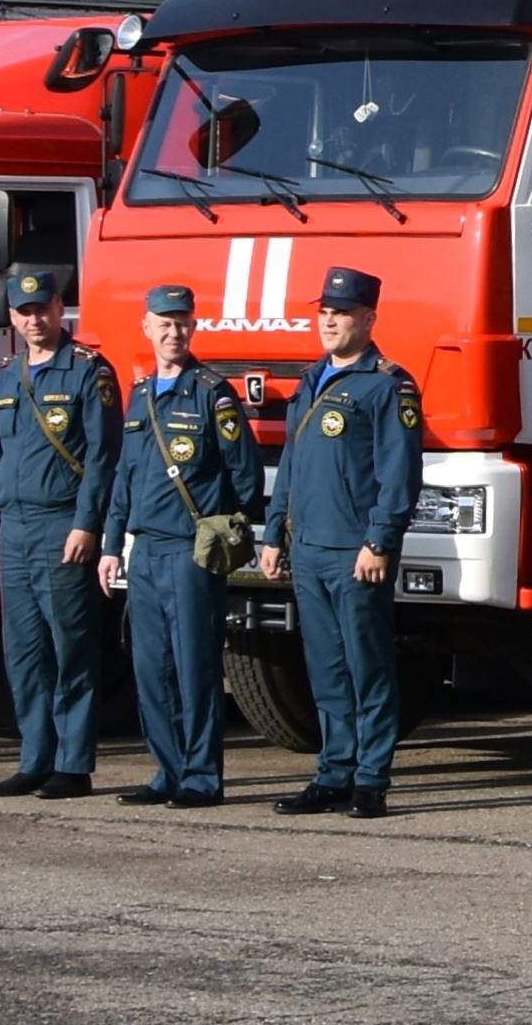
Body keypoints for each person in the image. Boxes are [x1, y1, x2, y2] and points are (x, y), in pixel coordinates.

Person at [268, 267, 420, 820]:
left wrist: (379, 541)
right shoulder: (311, 380)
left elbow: (399, 474)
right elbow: (291, 464)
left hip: (356, 551)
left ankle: (371, 778)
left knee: (367, 664)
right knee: (326, 667)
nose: (329, 320)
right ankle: (333, 771)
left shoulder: (387, 385)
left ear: (369, 319)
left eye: (342, 312)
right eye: (324, 311)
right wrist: (273, 534)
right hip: (308, 547)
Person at [101, 283, 258, 808]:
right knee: (152, 667)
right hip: (144, 551)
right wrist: (109, 545)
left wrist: (220, 529)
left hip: (192, 553)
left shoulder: (212, 393)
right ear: (147, 327)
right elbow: (124, 475)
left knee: (195, 666)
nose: (174, 333)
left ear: (194, 327)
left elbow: (245, 475)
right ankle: (166, 771)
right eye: (164, 324)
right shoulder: (140, 394)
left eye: (183, 323)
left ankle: (201, 778)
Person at [0, 267, 123, 802]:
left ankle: (73, 764)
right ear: (13, 317)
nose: (34, 320)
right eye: (24, 312)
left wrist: (88, 523)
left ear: (61, 309)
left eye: (43, 309)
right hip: (15, 530)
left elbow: (103, 458)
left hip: (62, 525)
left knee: (71, 650)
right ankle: (34, 758)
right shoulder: (11, 375)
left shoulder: (88, 371)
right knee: (24, 652)